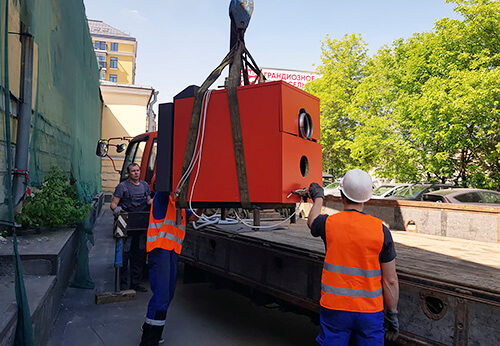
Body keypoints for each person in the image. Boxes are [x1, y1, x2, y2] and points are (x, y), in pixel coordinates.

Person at [307, 169, 399, 345]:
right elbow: (390, 280)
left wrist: (318, 197)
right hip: (369, 311)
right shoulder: (381, 230)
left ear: (342, 194)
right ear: (367, 198)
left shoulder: (329, 224)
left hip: (335, 308)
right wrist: (392, 314)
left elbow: (312, 221)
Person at [139, 191, 203, 346]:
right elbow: (165, 180)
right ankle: (150, 340)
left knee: (168, 294)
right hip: (160, 251)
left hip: (172, 252)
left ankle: (149, 327)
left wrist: (202, 203)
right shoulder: (162, 199)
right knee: (162, 295)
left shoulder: (180, 207)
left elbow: (194, 217)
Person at [110, 163, 152, 292]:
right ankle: (123, 285)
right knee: (125, 255)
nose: (136, 173)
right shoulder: (122, 187)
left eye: (138, 170)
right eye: (133, 171)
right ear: (129, 173)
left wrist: (159, 201)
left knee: (139, 255)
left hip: (141, 226)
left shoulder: (145, 186)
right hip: (126, 227)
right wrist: (117, 210)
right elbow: (113, 204)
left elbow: (149, 201)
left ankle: (135, 284)